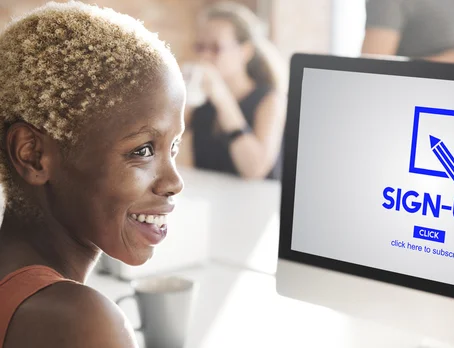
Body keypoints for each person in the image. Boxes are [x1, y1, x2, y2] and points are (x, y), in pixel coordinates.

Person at [0, 1, 185, 347]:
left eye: (173, 146)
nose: (175, 182)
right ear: (34, 155)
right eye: (143, 150)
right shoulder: (81, 323)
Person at [177, 1, 287, 180]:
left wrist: (221, 97)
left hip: (256, 203)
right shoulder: (199, 99)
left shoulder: (269, 99)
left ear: (246, 51)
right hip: (210, 202)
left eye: (216, 48)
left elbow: (255, 170)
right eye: (200, 47)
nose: (204, 56)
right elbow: (167, 150)